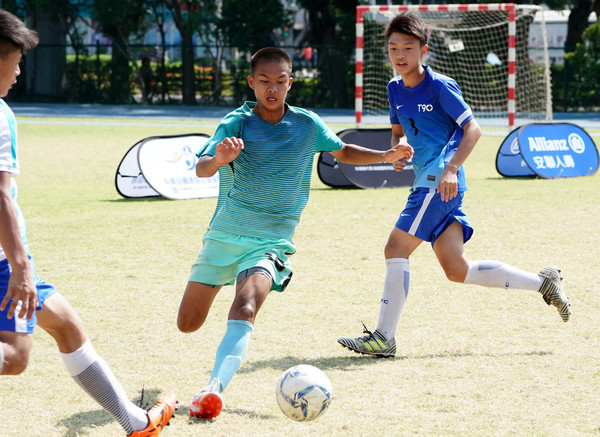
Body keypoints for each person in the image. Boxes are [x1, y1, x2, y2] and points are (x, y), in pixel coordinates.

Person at [176, 47, 413, 420]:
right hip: (224, 237)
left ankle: (212, 390)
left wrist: (386, 155)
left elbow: (343, 151)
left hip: (270, 242)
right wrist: (220, 158)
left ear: (291, 82)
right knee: (187, 323)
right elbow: (203, 168)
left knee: (246, 306)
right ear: (251, 82)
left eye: (280, 82)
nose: (272, 89)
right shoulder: (235, 123)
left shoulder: (306, 124)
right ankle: (215, 311)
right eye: (265, 82)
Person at [337, 12, 571, 359]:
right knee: (456, 269)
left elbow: (472, 129)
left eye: (408, 47)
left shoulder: (440, 85)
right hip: (424, 182)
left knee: (394, 249)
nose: (399, 54)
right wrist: (398, 152)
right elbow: (400, 131)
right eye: (393, 48)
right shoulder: (393, 88)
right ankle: (544, 282)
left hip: (440, 183)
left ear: (424, 50)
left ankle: (384, 337)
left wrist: (450, 170)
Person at [0, 9, 176, 436]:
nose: (20, 71)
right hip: (5, 258)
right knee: (16, 355)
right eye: (16, 61)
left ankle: (135, 423)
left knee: (66, 324)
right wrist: (21, 266)